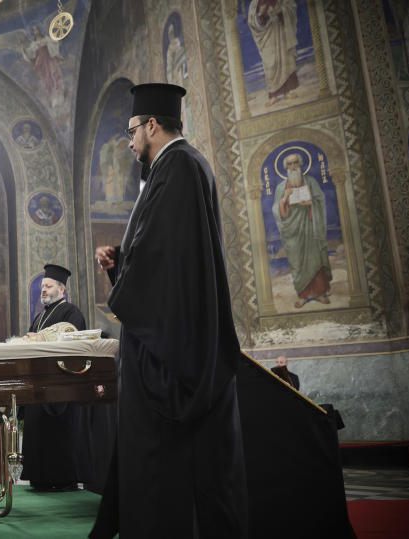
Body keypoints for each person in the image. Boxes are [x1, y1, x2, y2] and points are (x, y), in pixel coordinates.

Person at [92, 83, 248, 538]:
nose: (129, 140)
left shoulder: (177, 166)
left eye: (132, 131)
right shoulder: (178, 166)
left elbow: (166, 259)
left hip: (169, 351)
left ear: (152, 125)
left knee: (162, 470)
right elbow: (170, 254)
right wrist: (123, 263)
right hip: (172, 329)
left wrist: (127, 281)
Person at [20, 264, 88, 491]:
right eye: (42, 287)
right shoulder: (40, 316)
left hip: (60, 389)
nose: (43, 290)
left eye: (48, 286)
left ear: (62, 289)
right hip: (38, 387)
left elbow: (72, 344)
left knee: (58, 435)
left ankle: (62, 480)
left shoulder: (71, 312)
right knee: (37, 432)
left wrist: (41, 340)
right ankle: (39, 479)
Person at [272, 152, 332, 308]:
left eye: (295, 163)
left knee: (315, 259)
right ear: (286, 167)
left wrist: (311, 203)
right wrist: (284, 198)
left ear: (300, 164)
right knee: (297, 263)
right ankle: (303, 295)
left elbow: (320, 201)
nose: (293, 167)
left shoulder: (311, 182)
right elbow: (276, 211)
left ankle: (319, 293)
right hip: (293, 233)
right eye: (290, 164)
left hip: (311, 227)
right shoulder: (281, 187)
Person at [247, 0, 300, 106]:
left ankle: (287, 92)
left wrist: (281, 11)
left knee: (285, 59)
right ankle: (273, 95)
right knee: (270, 64)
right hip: (267, 35)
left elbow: (291, 6)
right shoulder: (255, 3)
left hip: (281, 31)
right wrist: (262, 17)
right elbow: (252, 20)